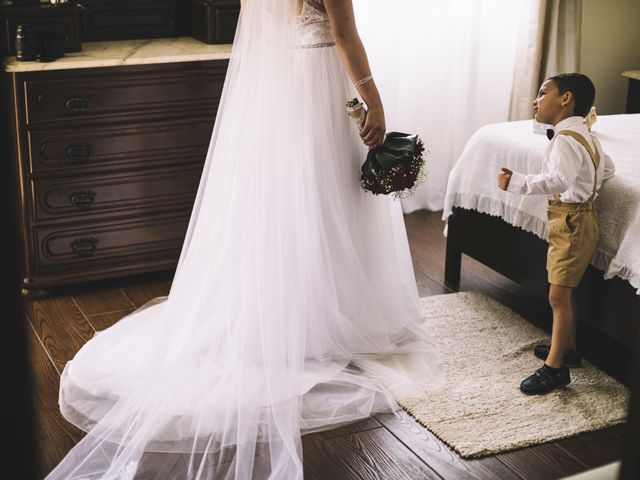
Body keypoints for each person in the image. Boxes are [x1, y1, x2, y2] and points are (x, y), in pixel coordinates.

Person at [45, 1, 441, 478]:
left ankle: (291, 315)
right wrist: (373, 100)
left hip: (281, 88)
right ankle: (330, 320)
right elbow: (345, 34)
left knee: (291, 203)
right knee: (327, 196)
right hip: (319, 81)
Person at [497, 73, 615, 395]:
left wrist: (519, 182)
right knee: (564, 291)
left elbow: (558, 180)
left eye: (543, 92)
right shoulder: (587, 137)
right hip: (580, 219)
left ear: (566, 99)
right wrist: (589, 186)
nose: (536, 100)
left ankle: (555, 368)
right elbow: (609, 169)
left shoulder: (564, 139)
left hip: (571, 222)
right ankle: (569, 349)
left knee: (558, 297)